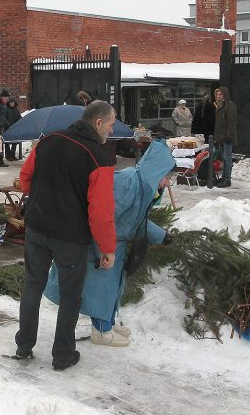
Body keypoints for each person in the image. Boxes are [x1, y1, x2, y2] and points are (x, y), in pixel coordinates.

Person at [14, 100, 118, 371]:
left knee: (33, 286)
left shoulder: (48, 141)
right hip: (69, 238)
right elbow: (101, 211)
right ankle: (62, 355)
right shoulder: (99, 157)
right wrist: (108, 248)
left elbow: (25, 180)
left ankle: (24, 345)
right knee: (71, 296)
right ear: (97, 122)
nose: (112, 128)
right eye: (110, 123)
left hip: (36, 228)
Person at [44, 139, 175, 346]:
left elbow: (135, 222)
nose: (167, 183)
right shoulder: (128, 183)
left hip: (114, 242)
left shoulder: (142, 186)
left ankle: (108, 323)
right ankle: (102, 331)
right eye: (166, 177)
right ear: (156, 171)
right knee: (101, 287)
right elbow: (106, 215)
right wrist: (103, 248)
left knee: (111, 285)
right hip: (101, 242)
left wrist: (162, 235)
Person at [212, 86, 237, 188]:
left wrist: (229, 135)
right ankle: (224, 177)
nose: (218, 96)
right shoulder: (219, 106)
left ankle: (227, 179)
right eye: (217, 94)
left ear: (225, 95)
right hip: (221, 137)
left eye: (220, 94)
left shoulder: (229, 106)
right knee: (224, 157)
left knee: (227, 157)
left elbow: (232, 122)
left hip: (227, 137)